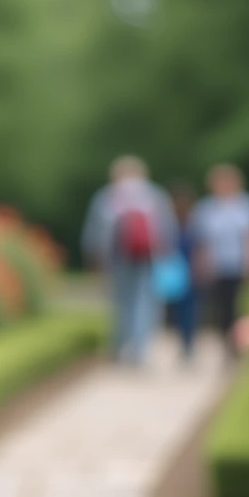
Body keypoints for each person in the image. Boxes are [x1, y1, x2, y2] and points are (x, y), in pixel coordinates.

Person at [81, 155, 178, 366]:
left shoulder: (107, 197)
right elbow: (168, 229)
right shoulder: (154, 195)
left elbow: (94, 234)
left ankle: (121, 346)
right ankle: (139, 350)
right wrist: (167, 255)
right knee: (145, 302)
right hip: (148, 258)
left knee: (121, 303)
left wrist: (94, 261)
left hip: (117, 258)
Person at [189, 163, 249, 360]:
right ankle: (226, 346)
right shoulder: (206, 209)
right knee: (222, 309)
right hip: (217, 268)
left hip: (242, 266)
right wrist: (200, 266)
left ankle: (241, 346)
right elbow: (200, 242)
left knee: (241, 307)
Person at [167, 182, 200, 365]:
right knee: (179, 312)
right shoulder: (168, 223)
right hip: (174, 272)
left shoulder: (195, 222)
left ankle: (188, 346)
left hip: (189, 272)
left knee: (189, 311)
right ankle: (184, 345)